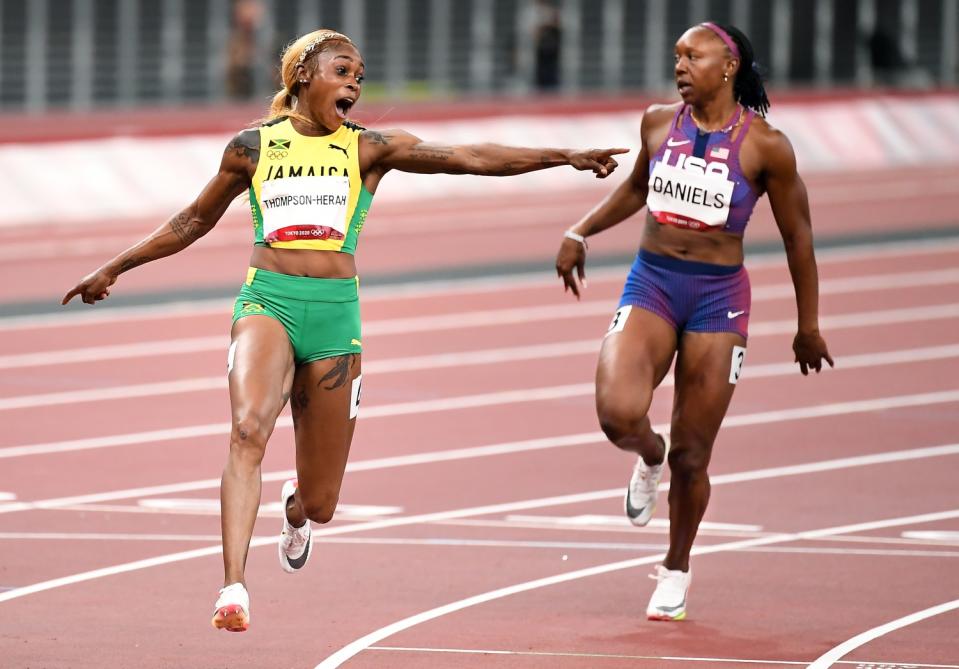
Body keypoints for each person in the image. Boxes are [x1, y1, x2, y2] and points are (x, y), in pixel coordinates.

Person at [62, 29, 627, 633]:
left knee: (324, 503)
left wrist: (561, 155)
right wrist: (116, 265)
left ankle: (296, 509)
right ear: (304, 74)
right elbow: (193, 219)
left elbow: (469, 158)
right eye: (343, 69)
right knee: (247, 429)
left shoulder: (368, 149)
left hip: (335, 316)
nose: (356, 81)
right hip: (267, 302)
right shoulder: (253, 148)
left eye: (360, 73)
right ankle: (233, 586)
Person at [555, 22, 833, 621]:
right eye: (676, 56)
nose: (679, 65)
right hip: (652, 282)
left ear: (728, 66)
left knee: (694, 454)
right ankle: (647, 454)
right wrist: (581, 231)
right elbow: (636, 190)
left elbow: (799, 239)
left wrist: (808, 325)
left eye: (693, 56)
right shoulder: (658, 122)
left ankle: (676, 568)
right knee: (618, 413)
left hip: (718, 301)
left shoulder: (767, 146)